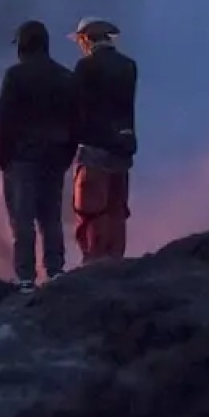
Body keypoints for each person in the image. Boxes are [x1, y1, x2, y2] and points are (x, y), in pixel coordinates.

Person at [0, 20, 78, 292]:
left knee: (23, 219)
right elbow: (74, 120)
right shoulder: (65, 76)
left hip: (23, 157)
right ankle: (55, 270)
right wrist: (67, 154)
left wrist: (3, 156)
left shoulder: (16, 76)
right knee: (51, 216)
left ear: (22, 44)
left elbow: (5, 118)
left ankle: (26, 278)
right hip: (55, 156)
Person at [69, 16, 138, 263]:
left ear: (86, 38)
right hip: (123, 150)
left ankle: (95, 264)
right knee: (117, 210)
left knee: (91, 211)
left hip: (94, 150)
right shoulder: (128, 66)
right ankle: (116, 261)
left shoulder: (85, 68)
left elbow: (76, 109)